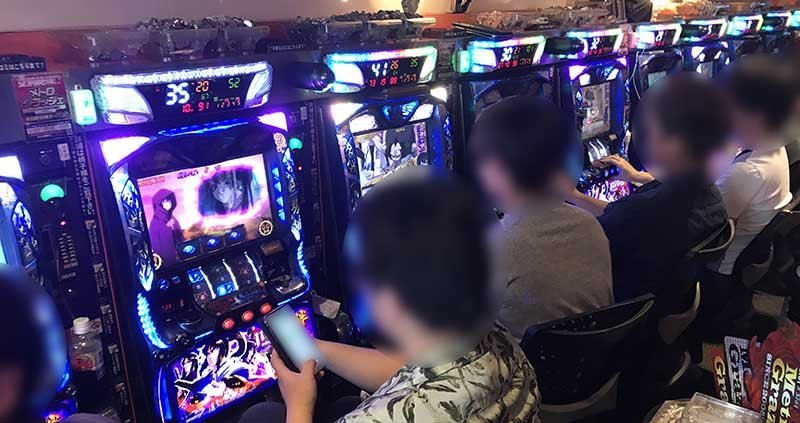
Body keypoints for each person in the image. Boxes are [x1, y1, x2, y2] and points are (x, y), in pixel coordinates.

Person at [241, 168, 540, 423]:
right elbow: (413, 375)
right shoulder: (497, 342)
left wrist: (299, 405)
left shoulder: (376, 419)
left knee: (260, 415)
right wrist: (319, 350)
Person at [569, 73, 731, 302]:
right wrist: (637, 176)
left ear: (675, 143)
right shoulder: (711, 193)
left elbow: (604, 224)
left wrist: (571, 195)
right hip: (672, 298)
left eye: (651, 131)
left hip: (627, 304)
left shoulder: (641, 211)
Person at [469, 95, 614, 338]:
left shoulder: (494, 246)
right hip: (597, 359)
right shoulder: (589, 224)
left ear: (495, 171)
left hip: (525, 363)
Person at [714, 54, 794, 276]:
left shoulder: (747, 171)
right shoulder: (774, 147)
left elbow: (702, 224)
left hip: (718, 267)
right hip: (749, 256)